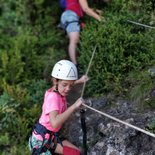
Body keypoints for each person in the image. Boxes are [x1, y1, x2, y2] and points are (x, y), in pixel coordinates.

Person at [28, 60, 88, 155]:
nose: (68, 89)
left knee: (76, 153)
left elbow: (65, 82)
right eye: (65, 85)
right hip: (41, 142)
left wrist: (80, 81)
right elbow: (55, 124)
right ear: (55, 81)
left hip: (50, 138)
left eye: (71, 85)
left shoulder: (58, 89)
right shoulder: (53, 98)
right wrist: (74, 106)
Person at [60, 0, 103, 71]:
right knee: (74, 39)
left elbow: (84, 8)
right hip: (71, 15)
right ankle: (74, 65)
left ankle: (75, 63)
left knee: (76, 40)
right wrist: (101, 19)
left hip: (69, 16)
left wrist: (97, 11)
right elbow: (86, 9)